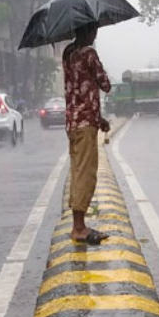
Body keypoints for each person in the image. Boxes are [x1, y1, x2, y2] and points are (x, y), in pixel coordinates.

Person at [63, 23, 112, 244]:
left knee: (77, 171)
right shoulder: (89, 53)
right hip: (85, 126)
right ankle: (79, 227)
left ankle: (78, 224)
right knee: (86, 174)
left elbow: (81, 92)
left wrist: (99, 119)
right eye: (93, 31)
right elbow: (105, 84)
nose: (95, 35)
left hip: (73, 123)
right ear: (87, 32)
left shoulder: (68, 53)